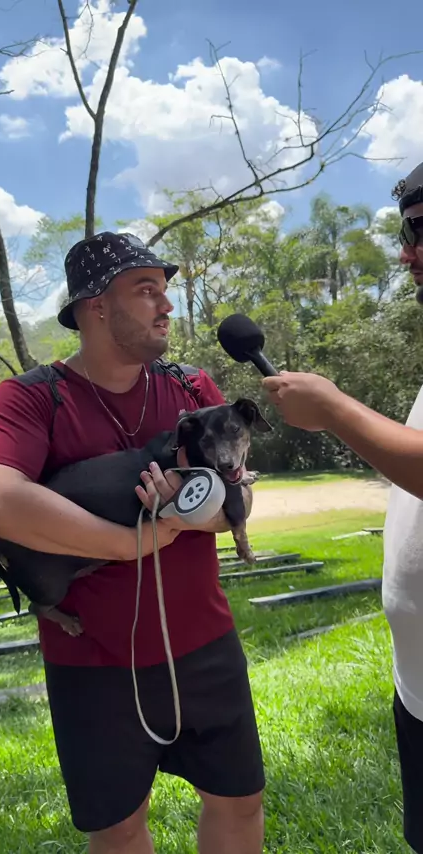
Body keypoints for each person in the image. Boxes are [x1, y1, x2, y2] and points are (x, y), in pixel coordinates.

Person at [0, 231, 265, 854]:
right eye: (146, 289)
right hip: (92, 663)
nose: (166, 304)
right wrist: (132, 543)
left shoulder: (192, 388)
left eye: (164, 289)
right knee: (120, 828)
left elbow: (239, 500)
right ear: (95, 306)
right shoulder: (33, 397)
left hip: (205, 641)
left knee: (240, 803)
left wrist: (181, 511)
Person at [260, 161, 423, 854]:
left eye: (419, 231)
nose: (406, 254)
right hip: (416, 691)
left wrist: (334, 409)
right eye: (405, 234)